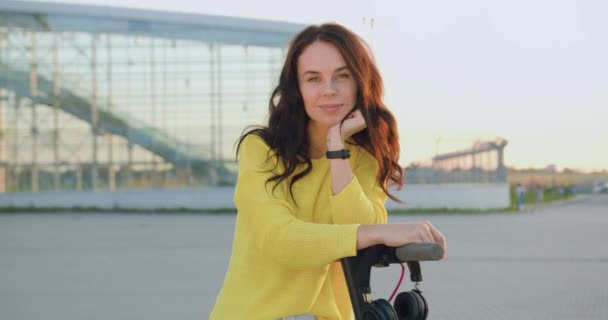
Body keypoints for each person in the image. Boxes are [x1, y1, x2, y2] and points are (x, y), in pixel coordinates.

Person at [209, 23, 447, 320]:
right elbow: (281, 241)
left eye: (342, 76)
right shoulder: (260, 149)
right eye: (313, 79)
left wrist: (337, 146)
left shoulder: (364, 156)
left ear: (360, 82)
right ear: (297, 89)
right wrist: (381, 232)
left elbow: (356, 227)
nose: (329, 90)